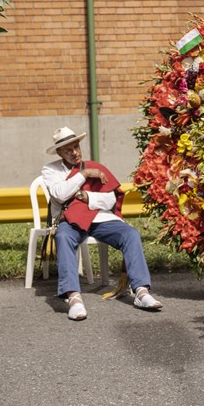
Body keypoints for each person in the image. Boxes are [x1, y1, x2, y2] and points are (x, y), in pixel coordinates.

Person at [41, 127, 162, 320]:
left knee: (130, 234)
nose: (75, 153)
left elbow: (110, 201)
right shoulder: (51, 170)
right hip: (69, 220)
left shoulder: (98, 167)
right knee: (63, 237)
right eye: (68, 150)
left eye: (76, 147)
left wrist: (85, 196)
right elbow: (60, 194)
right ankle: (74, 298)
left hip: (100, 218)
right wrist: (85, 174)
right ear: (59, 153)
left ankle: (140, 291)